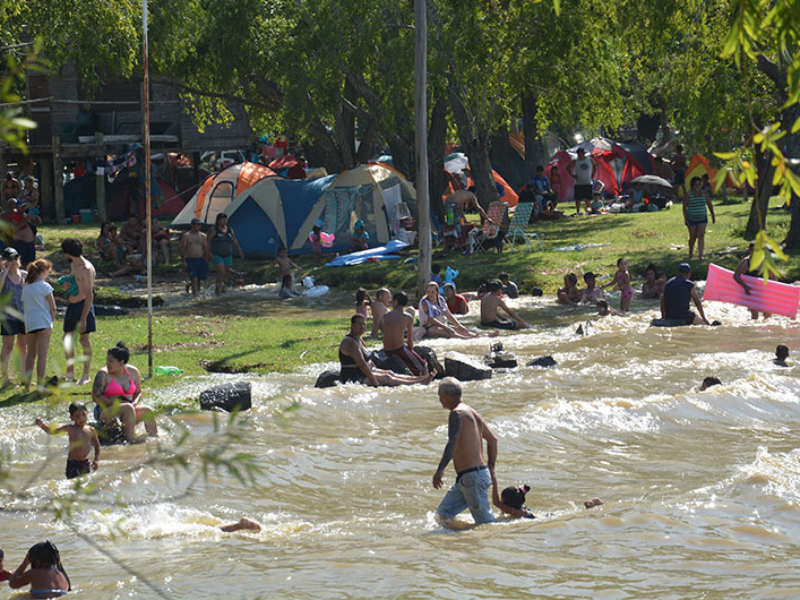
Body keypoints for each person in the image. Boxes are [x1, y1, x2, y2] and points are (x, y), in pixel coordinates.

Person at [433, 378, 497, 525]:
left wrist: (440, 470)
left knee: (486, 525)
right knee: (443, 515)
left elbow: (452, 443)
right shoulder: (472, 412)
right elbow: (493, 440)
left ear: (447, 395)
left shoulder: (456, 414)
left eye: (439, 395)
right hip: (470, 477)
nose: (439, 399)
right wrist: (491, 468)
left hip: (472, 478)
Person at [338, 315, 435, 386]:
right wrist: (374, 380)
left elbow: (366, 359)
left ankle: (419, 379)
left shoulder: (358, 338)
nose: (363, 327)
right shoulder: (350, 342)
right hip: (354, 376)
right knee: (387, 378)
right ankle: (418, 383)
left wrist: (373, 367)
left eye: (364, 324)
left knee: (389, 373)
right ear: (353, 325)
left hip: (363, 371)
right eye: (360, 324)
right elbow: (361, 364)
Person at [91, 341, 158, 443]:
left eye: (111, 361)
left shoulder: (133, 372)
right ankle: (131, 440)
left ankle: (155, 440)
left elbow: (138, 392)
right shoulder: (103, 374)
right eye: (107, 360)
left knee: (147, 410)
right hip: (105, 412)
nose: (107, 364)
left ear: (121, 363)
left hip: (128, 410)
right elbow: (95, 397)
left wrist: (135, 403)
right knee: (128, 408)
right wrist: (114, 403)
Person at [61, 239, 96, 385]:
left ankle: (86, 374)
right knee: (67, 339)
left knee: (84, 340)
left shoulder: (86, 269)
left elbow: (89, 295)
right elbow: (75, 284)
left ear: (68, 253)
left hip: (84, 306)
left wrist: (83, 318)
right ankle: (70, 374)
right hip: (72, 305)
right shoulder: (73, 265)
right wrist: (67, 286)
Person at [35, 402, 100, 479]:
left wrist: (96, 460)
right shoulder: (70, 428)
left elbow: (97, 445)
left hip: (85, 463)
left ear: (87, 413)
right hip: (73, 463)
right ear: (72, 418)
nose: (81, 419)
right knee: (73, 483)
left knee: (85, 483)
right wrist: (42, 425)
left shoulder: (91, 430)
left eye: (83, 415)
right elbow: (53, 432)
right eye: (77, 416)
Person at [21, 259, 55, 392]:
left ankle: (27, 385)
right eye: (47, 271)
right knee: (42, 355)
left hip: (30, 322)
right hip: (43, 321)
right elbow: (53, 307)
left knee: (31, 354)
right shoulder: (45, 286)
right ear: (42, 271)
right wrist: (50, 321)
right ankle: (40, 385)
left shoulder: (26, 287)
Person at [382, 291, 428, 375]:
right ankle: (426, 380)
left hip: (386, 350)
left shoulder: (386, 316)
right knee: (423, 365)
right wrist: (411, 351)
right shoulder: (408, 317)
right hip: (399, 349)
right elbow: (409, 341)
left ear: (395, 302)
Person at [0, 247, 27, 387]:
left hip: (23, 315)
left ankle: (24, 377)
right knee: (8, 347)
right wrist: (4, 271)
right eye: (10, 259)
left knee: (22, 346)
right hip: (8, 316)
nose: (14, 261)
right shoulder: (2, 276)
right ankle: (5, 379)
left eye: (15, 258)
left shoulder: (24, 275)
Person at [733, 242, 775, 320]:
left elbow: (773, 277)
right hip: (749, 291)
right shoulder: (746, 262)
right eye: (753, 250)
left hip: (763, 291)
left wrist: (772, 291)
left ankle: (766, 329)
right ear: (749, 251)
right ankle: (752, 330)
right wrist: (744, 286)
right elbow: (736, 276)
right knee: (755, 314)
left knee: (767, 313)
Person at [209, 213, 244, 294]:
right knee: (222, 272)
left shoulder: (230, 230)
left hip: (228, 254)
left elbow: (235, 241)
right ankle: (217, 291)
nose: (224, 221)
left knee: (226, 272)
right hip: (217, 254)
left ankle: (223, 288)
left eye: (226, 219)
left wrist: (240, 251)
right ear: (218, 221)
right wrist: (209, 253)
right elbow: (207, 242)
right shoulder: (214, 230)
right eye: (222, 220)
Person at [683, 176, 715, 260]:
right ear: (692, 185)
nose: (697, 187)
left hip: (702, 218)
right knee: (693, 236)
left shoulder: (704, 193)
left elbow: (709, 204)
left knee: (701, 235)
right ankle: (691, 252)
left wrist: (713, 215)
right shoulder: (688, 194)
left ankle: (701, 255)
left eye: (698, 185)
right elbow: (684, 207)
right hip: (692, 218)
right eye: (695, 185)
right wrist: (686, 219)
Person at [181, 217, 212, 298]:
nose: (198, 227)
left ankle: (193, 289)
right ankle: (195, 295)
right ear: (192, 225)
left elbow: (205, 248)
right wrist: (183, 261)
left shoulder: (203, 236)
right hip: (190, 259)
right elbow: (183, 249)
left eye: (199, 225)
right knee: (194, 278)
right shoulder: (187, 235)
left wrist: (207, 259)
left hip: (200, 258)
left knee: (199, 279)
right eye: (196, 225)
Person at [7, 198, 36, 266]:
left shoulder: (25, 215)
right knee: (20, 263)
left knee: (31, 263)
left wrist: (34, 216)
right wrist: (26, 219)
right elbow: (15, 228)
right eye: (21, 207)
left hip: (30, 244)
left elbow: (37, 223)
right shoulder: (14, 216)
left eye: (24, 206)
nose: (23, 208)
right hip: (21, 243)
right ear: (17, 207)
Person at [567, 147, 596, 215]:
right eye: (578, 154)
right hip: (578, 183)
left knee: (588, 198)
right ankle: (578, 211)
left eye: (580, 154)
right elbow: (568, 167)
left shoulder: (589, 159)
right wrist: (572, 175)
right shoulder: (576, 161)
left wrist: (593, 174)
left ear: (583, 154)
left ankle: (588, 210)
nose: (579, 156)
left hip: (588, 182)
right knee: (578, 198)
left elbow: (594, 166)